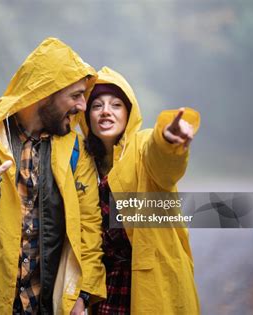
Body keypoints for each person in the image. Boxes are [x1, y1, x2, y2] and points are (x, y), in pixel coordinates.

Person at [0, 38, 106, 314]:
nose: (83, 106)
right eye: (75, 96)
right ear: (45, 92)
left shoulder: (75, 149)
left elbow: (89, 229)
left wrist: (83, 294)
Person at [81, 67, 200, 314]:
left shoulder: (142, 146)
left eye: (116, 105)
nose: (106, 111)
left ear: (128, 113)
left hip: (155, 283)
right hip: (107, 288)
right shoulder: (82, 165)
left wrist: (167, 142)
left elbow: (162, 163)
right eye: (97, 106)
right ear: (86, 116)